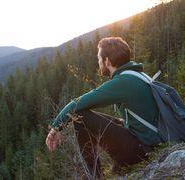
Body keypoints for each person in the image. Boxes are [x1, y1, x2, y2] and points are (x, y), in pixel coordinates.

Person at [45, 37, 161, 178]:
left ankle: (94, 176)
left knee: (80, 116)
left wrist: (55, 128)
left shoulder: (122, 82)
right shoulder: (138, 75)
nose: (98, 62)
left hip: (143, 149)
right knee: (113, 121)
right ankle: (111, 170)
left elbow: (76, 104)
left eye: (99, 58)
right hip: (153, 141)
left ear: (107, 61)